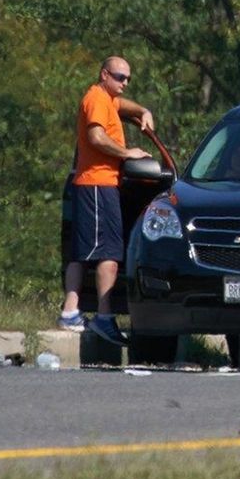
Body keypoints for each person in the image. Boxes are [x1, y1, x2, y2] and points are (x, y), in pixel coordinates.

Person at [58, 56, 155, 346]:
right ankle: (104, 316)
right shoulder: (97, 99)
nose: (124, 83)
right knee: (109, 255)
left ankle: (71, 311)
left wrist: (142, 110)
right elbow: (97, 137)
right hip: (99, 183)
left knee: (83, 254)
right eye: (119, 77)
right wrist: (129, 154)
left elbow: (122, 106)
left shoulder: (107, 98)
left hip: (93, 184)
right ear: (104, 74)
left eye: (128, 78)